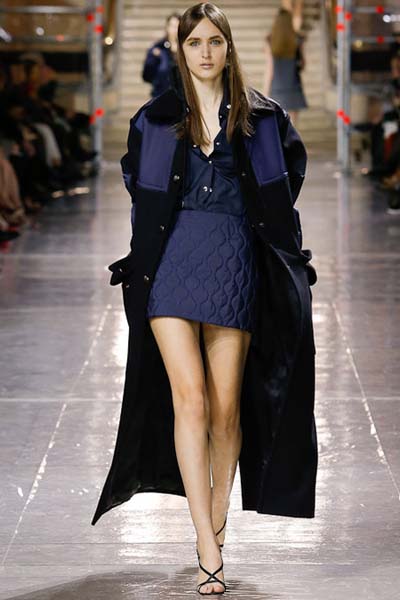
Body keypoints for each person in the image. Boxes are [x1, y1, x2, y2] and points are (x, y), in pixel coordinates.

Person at [91, 2, 318, 596]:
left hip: (233, 264)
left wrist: (279, 247)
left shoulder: (263, 119)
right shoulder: (154, 119)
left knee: (224, 409)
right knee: (189, 400)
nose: (205, 52)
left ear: (229, 46)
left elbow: (286, 184)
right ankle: (205, 542)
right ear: (181, 49)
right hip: (170, 267)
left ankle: (217, 521)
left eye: (215, 40)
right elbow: (138, 185)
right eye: (194, 42)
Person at [263, 1, 307, 127]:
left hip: (277, 90)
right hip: (294, 87)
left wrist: (265, 93)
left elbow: (269, 70)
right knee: (292, 129)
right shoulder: (297, 40)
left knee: (279, 128)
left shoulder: (270, 41)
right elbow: (303, 65)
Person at [142, 12, 181, 97]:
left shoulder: (186, 48)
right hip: (160, 95)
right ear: (167, 27)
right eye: (172, 26)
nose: (175, 30)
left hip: (182, 97)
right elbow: (146, 75)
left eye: (177, 26)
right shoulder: (158, 48)